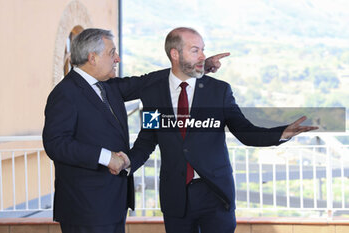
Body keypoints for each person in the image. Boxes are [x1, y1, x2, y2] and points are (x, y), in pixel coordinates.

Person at [121, 27, 318, 233]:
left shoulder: (219, 91)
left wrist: (281, 133)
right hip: (176, 198)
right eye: (195, 50)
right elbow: (148, 139)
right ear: (175, 54)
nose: (204, 56)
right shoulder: (154, 94)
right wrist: (128, 164)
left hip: (215, 195)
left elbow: (244, 131)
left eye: (203, 50)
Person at [42, 28, 227, 233]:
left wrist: (199, 65)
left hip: (113, 205)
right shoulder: (65, 93)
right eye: (112, 53)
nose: (118, 59)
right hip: (84, 208)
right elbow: (55, 143)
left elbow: (147, 81)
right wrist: (106, 157)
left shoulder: (109, 86)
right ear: (92, 57)